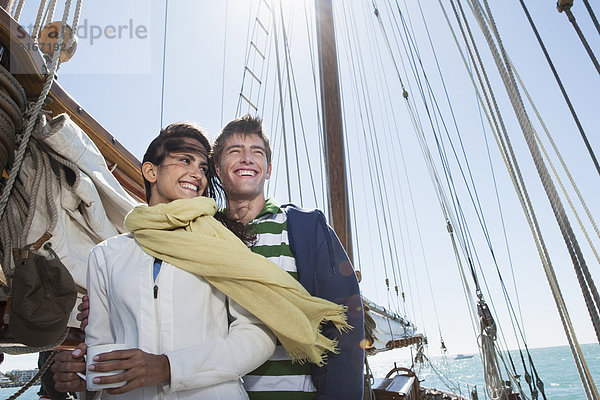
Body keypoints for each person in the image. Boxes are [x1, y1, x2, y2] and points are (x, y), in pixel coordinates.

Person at [78, 122, 277, 399]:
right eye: (185, 160)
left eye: (203, 168)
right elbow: (100, 350)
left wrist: (170, 368)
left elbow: (258, 334)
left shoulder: (222, 243)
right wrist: (81, 374)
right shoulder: (105, 256)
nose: (197, 174)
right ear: (151, 171)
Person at [211, 114, 365, 399]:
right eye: (235, 152)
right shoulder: (206, 235)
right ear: (218, 170)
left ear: (267, 170)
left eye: (256, 152)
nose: (246, 159)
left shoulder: (305, 228)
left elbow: (344, 323)